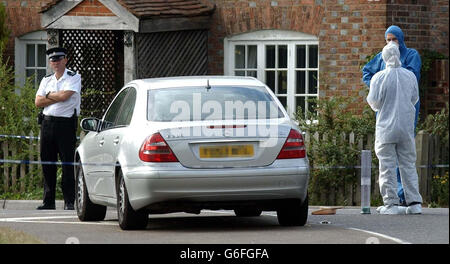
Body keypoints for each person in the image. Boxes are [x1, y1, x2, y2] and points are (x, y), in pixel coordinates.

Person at [362, 25, 421, 206]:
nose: (392, 42)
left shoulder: (379, 78)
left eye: (393, 39)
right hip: (405, 123)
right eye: (389, 39)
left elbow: (374, 103)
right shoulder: (409, 76)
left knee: (387, 165)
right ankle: (414, 203)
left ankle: (391, 203)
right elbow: (414, 98)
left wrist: (384, 94)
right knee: (408, 164)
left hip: (386, 125)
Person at [35, 47, 81, 210]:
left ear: (65, 60)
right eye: (53, 60)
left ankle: (69, 201)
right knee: (48, 163)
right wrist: (54, 96)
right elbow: (38, 102)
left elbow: (65, 96)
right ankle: (49, 201)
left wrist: (48, 96)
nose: (55, 62)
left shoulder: (73, 77)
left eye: (59, 59)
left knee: (67, 163)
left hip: (65, 124)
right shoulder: (46, 80)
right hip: (47, 123)